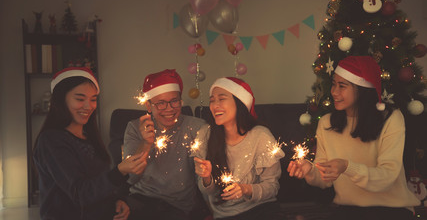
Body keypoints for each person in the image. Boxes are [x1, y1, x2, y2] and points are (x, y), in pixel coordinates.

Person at [287, 56, 420, 220]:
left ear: (362, 89)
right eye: (334, 84)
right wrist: (310, 171)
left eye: (342, 86)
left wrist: (347, 167)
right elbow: (325, 179)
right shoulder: (327, 123)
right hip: (349, 210)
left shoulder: (391, 118)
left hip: (391, 209)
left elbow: (387, 176)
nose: (334, 92)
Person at [33, 67, 147, 220]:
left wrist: (117, 200)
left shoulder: (89, 137)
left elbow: (98, 183)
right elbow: (81, 193)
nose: (89, 106)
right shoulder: (51, 140)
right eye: (80, 99)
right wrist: (119, 170)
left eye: (93, 99)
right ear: (61, 100)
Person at [191, 77, 285, 220]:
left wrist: (245, 189)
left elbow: (272, 187)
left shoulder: (261, 136)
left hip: (261, 210)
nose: (215, 106)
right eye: (212, 100)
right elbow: (207, 191)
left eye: (221, 99)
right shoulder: (205, 135)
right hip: (225, 216)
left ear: (239, 103)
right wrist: (206, 178)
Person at [123, 69, 207, 220]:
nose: (169, 108)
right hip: (140, 200)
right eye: (161, 103)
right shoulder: (135, 127)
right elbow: (131, 177)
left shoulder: (197, 127)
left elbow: (203, 178)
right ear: (149, 106)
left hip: (178, 207)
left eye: (174, 101)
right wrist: (146, 143)